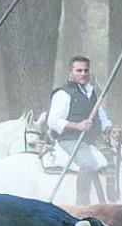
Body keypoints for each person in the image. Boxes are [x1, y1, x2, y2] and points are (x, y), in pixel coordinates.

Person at [46, 55, 117, 205]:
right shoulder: (63, 93)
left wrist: (109, 128)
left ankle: (111, 199)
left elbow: (102, 116)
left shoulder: (92, 93)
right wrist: (77, 125)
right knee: (88, 164)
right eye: (78, 70)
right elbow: (53, 121)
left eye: (86, 70)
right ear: (70, 73)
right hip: (70, 140)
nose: (83, 74)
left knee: (115, 159)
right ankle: (82, 206)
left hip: (91, 140)